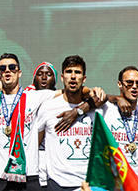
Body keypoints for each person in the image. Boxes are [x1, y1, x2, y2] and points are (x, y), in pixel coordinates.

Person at [0, 53, 101, 191]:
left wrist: (91, 93)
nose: (7, 70)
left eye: (12, 67)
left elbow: (71, 90)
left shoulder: (35, 97)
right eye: (3, 68)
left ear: (19, 73)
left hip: (28, 174)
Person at [38, 56, 103, 191]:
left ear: (84, 79)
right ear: (62, 77)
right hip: (57, 184)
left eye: (77, 72)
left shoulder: (97, 109)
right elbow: (36, 144)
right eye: (69, 72)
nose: (73, 76)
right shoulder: (47, 107)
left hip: (87, 184)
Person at [100, 66, 138, 181]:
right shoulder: (106, 109)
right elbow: (91, 96)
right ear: (119, 84)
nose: (134, 86)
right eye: (129, 83)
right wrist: (117, 98)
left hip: (137, 181)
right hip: (113, 180)